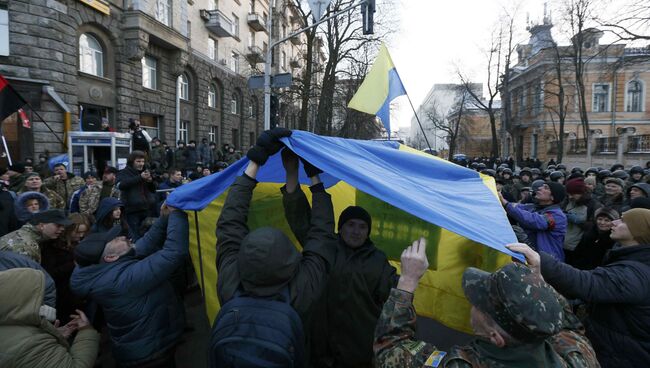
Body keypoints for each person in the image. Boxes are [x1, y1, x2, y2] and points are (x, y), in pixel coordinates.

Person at [213, 129, 337, 365]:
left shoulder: (230, 283)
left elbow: (229, 223)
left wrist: (255, 161)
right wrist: (313, 176)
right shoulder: (302, 293)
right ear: (292, 260)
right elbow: (322, 233)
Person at [374, 238, 599, 367]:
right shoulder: (577, 358)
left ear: (496, 338)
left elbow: (389, 348)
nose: (472, 302)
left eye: (480, 304)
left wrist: (407, 280)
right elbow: (570, 327)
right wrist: (535, 281)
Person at [279, 148, 397, 367]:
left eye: (362, 227)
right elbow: (299, 215)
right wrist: (292, 173)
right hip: (319, 351)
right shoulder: (324, 248)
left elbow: (395, 294)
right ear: (340, 228)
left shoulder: (378, 260)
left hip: (359, 354)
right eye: (350, 225)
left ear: (368, 232)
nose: (356, 231)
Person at [509, 208, 650, 367]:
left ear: (639, 230)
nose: (614, 222)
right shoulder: (634, 261)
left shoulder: (637, 273)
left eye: (623, 220)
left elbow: (586, 283)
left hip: (622, 357)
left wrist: (538, 258)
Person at [70, 204, 189, 367]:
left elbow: (145, 244)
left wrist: (164, 217)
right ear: (111, 257)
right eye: (115, 240)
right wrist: (177, 214)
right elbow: (173, 253)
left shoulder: (103, 267)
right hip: (149, 355)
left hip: (149, 343)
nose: (121, 237)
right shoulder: (120, 281)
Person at [0, 268, 100, 368]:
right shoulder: (30, 345)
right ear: (20, 301)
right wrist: (86, 331)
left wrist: (51, 336)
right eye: (37, 296)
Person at [41, 213, 91, 323]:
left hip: (75, 294)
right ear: (68, 230)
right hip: (61, 296)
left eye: (84, 232)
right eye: (78, 232)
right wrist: (72, 265)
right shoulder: (52, 247)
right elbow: (49, 273)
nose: (81, 235)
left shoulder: (78, 244)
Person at [500, 181, 567, 260]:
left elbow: (534, 220)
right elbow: (516, 206)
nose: (539, 188)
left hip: (548, 261)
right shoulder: (534, 207)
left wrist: (505, 203)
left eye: (545, 188)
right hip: (531, 256)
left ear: (553, 197)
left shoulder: (558, 216)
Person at [0, 209, 71, 263]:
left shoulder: (21, 233)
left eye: (63, 226)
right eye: (58, 225)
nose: (62, 229)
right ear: (42, 225)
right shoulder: (27, 248)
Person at [116, 151, 156, 240]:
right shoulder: (124, 172)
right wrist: (140, 178)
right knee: (134, 237)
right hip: (132, 211)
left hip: (146, 209)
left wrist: (150, 181)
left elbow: (153, 190)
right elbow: (121, 185)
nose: (141, 164)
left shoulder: (145, 171)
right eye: (138, 161)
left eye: (142, 161)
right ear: (132, 162)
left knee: (147, 236)